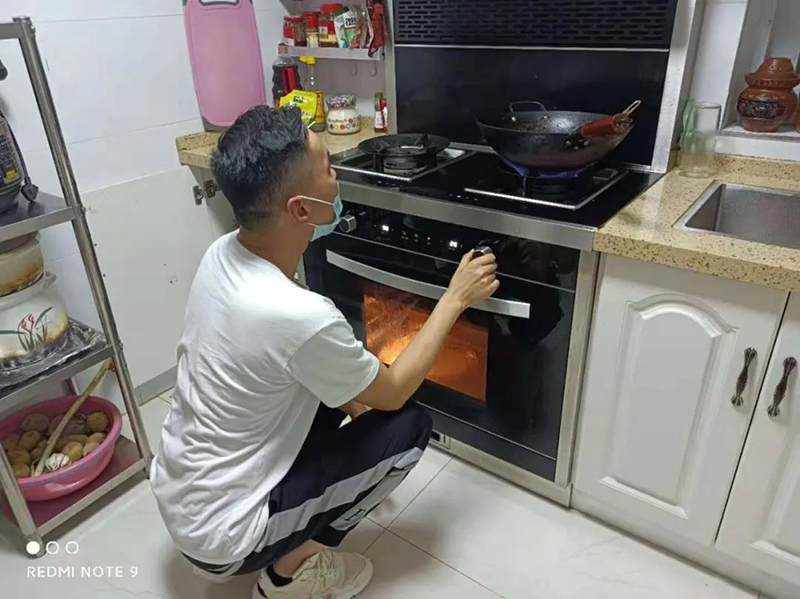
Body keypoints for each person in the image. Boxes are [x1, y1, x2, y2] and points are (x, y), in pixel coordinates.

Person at [149, 105, 499, 599]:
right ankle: (288, 574)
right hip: (223, 538)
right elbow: (395, 391)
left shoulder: (222, 254)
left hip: (181, 491)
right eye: (329, 170)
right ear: (301, 209)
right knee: (408, 430)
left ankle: (287, 534)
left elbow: (291, 362)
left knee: (349, 395)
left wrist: (353, 400)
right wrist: (455, 298)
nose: (337, 180)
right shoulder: (299, 316)